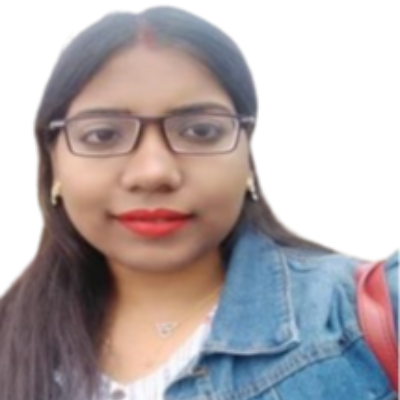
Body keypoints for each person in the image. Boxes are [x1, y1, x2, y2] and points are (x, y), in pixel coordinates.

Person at [0, 5, 398, 400]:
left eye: (200, 131)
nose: (154, 173)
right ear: (52, 161)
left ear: (247, 153)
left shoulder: (366, 313)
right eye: (103, 135)